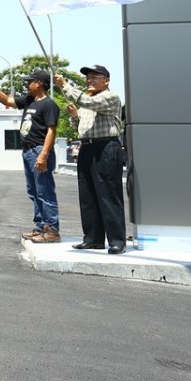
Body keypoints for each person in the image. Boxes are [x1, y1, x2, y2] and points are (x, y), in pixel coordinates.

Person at [0, 68, 61, 243]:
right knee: (34, 192)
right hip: (28, 150)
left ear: (39, 83)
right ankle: (40, 227)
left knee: (45, 191)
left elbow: (52, 131)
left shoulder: (49, 104)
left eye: (30, 81)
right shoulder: (30, 100)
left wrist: (43, 154)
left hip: (38, 150)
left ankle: (52, 229)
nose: (27, 84)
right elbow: (7, 100)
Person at [53, 65, 126, 255]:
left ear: (106, 80)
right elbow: (80, 128)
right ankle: (93, 239)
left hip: (106, 148)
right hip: (86, 147)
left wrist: (65, 86)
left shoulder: (109, 97)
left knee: (108, 195)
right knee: (88, 196)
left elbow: (88, 102)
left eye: (95, 77)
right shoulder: (88, 101)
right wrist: (74, 117)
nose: (89, 80)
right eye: (88, 77)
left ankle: (117, 240)